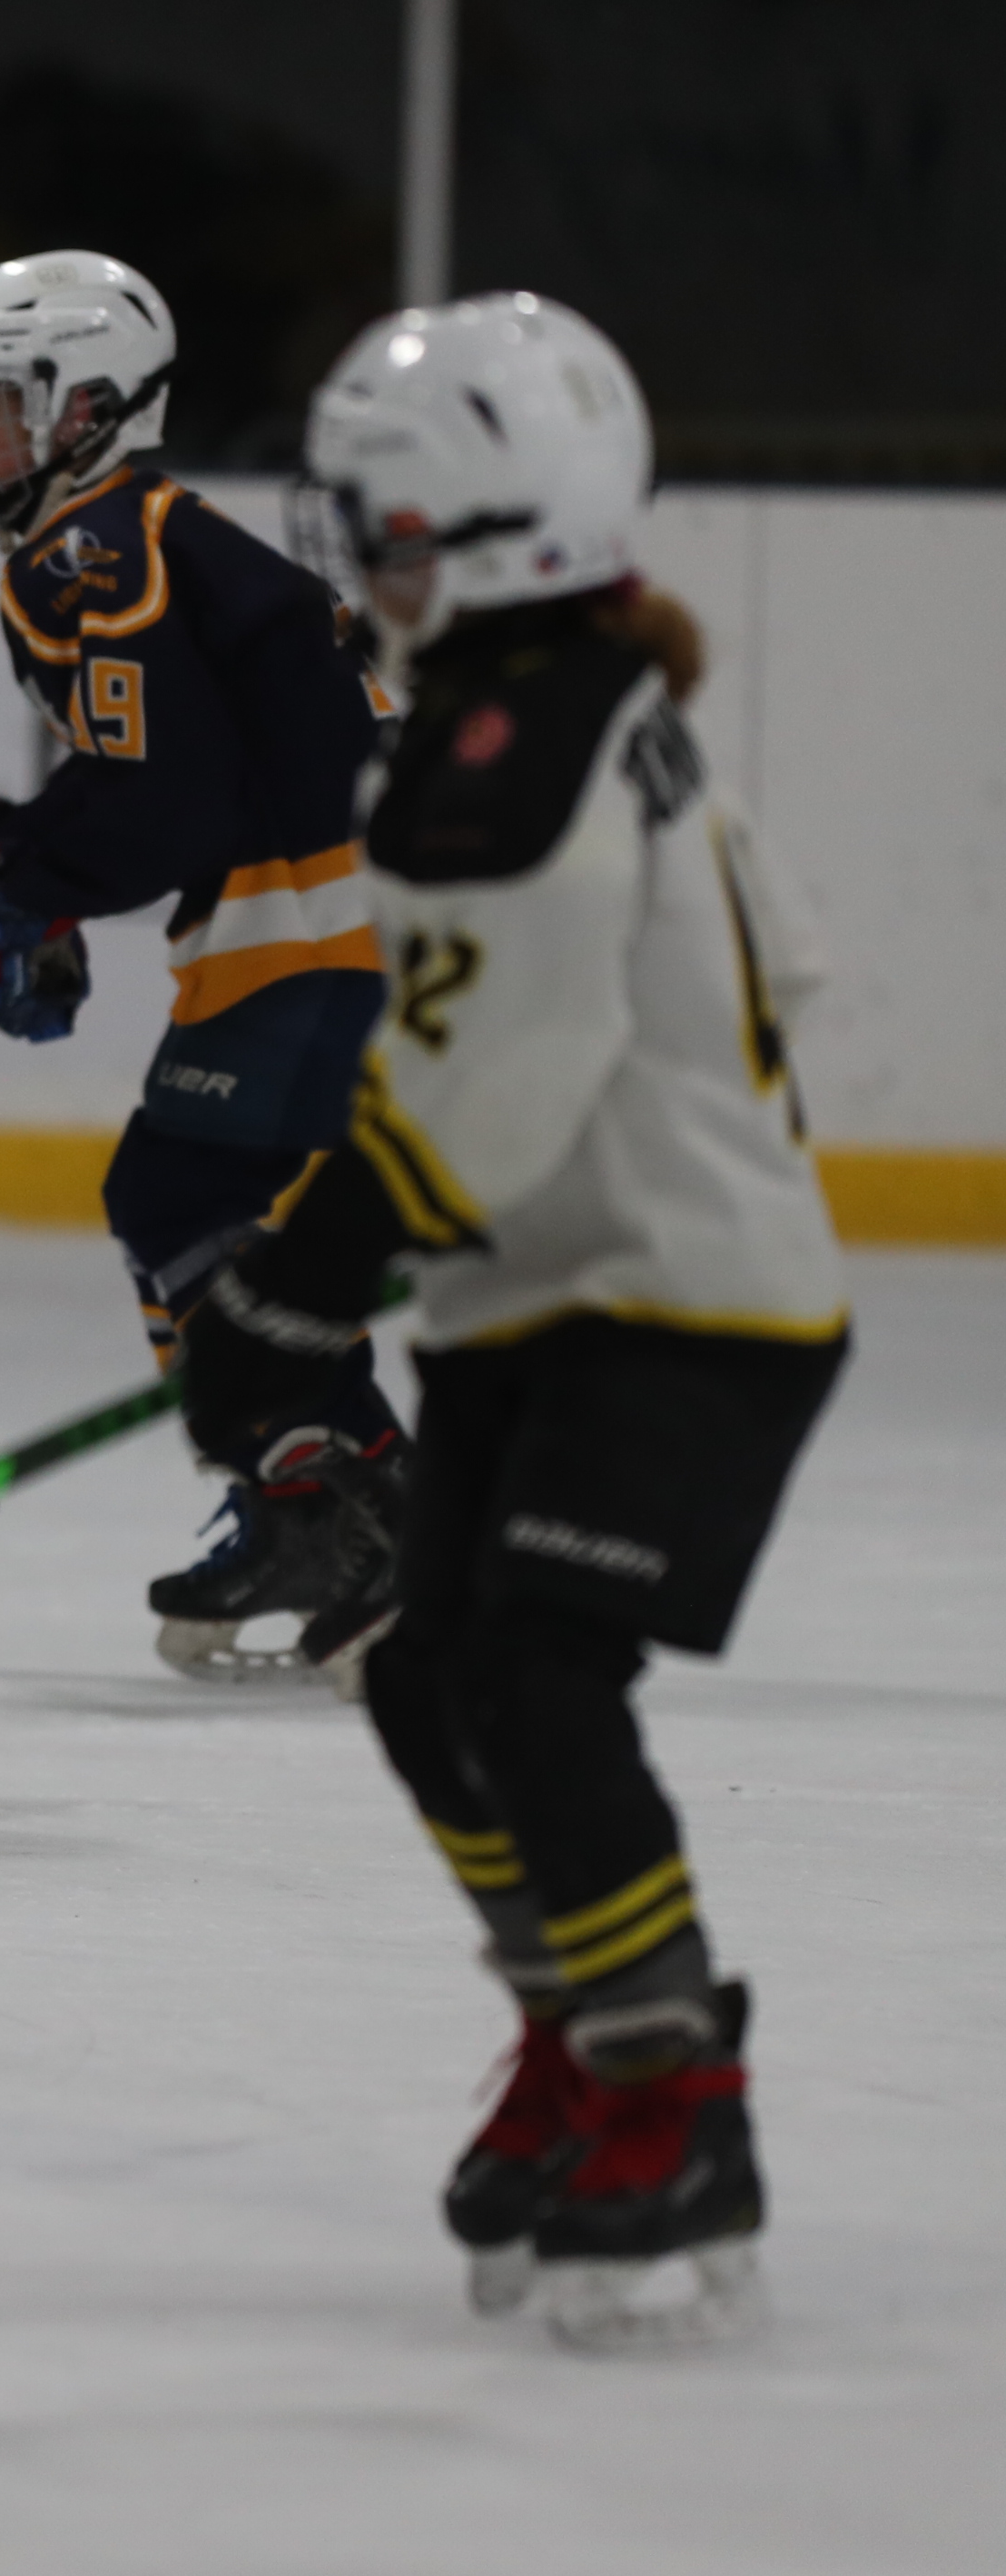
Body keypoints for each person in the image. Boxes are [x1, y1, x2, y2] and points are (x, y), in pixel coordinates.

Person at [182, 294, 841, 2349]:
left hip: (675, 1304)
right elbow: (756, 979)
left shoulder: (517, 743)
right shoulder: (559, 700)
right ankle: (580, 2029)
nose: (359, 566)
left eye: (381, 528)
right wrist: (328, 1262)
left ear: (484, 533)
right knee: (426, 1682)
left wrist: (289, 1285)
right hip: (552, 1287)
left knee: (541, 1686)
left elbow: (491, 1091)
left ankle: (672, 2092)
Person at [0, 250, 403, 1688]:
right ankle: (317, 1481)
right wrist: (9, 866)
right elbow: (171, 782)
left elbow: (170, 807)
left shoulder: (91, 552)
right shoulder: (123, 536)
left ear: (88, 407)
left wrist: (7, 891)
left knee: (180, 1196)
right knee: (198, 1199)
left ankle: (332, 1501)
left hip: (319, 917)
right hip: (345, 905)